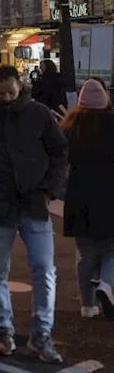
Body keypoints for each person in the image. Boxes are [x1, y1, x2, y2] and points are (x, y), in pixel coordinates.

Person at [0, 65, 68, 362]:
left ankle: (41, 334)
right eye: (0, 93)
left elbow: (59, 151)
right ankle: (6, 332)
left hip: (31, 201)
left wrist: (49, 190)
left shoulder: (39, 114)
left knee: (44, 271)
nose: (6, 97)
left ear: (19, 86)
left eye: (10, 92)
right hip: (0, 202)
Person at [59, 78, 114, 320]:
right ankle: (106, 285)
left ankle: (87, 305)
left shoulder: (70, 126)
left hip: (78, 194)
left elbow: (60, 162)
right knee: (111, 251)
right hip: (109, 194)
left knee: (87, 254)